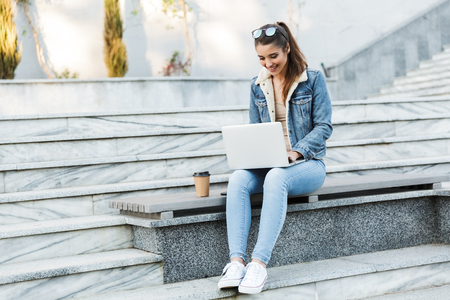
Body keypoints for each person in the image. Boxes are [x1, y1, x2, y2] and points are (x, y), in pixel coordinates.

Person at [217, 21, 333, 294]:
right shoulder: (257, 85)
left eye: (273, 56)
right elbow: (257, 130)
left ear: (287, 49)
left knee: (277, 177)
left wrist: (295, 152)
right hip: (269, 163)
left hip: (308, 164)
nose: (268, 63)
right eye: (261, 58)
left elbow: (324, 126)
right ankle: (236, 262)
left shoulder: (313, 78)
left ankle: (258, 263)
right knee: (238, 180)